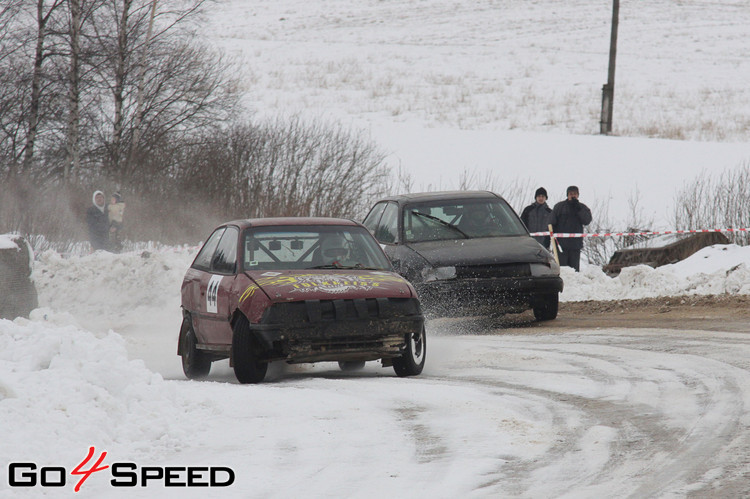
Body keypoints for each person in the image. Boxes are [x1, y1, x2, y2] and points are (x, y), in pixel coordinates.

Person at [549, 185, 592, 271]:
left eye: (575, 194)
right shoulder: (559, 207)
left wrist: (578, 209)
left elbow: (587, 220)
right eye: (571, 194)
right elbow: (551, 223)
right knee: (562, 270)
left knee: (575, 272)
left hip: (575, 245)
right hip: (561, 245)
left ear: (578, 195)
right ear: (567, 195)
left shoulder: (582, 207)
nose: (573, 196)